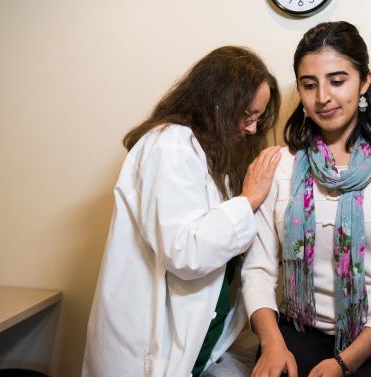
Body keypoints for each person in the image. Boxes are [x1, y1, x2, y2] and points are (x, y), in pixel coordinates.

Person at [82, 46, 281, 377]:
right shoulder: (170, 145)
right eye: (248, 115)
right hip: (148, 351)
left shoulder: (212, 154)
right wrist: (249, 200)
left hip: (195, 347)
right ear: (218, 102)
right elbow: (185, 252)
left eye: (257, 119)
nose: (251, 129)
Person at [242, 21, 371, 377]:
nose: (322, 96)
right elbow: (258, 269)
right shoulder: (279, 166)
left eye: (337, 81)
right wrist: (273, 344)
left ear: (364, 81)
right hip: (294, 334)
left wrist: (345, 362)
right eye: (309, 85)